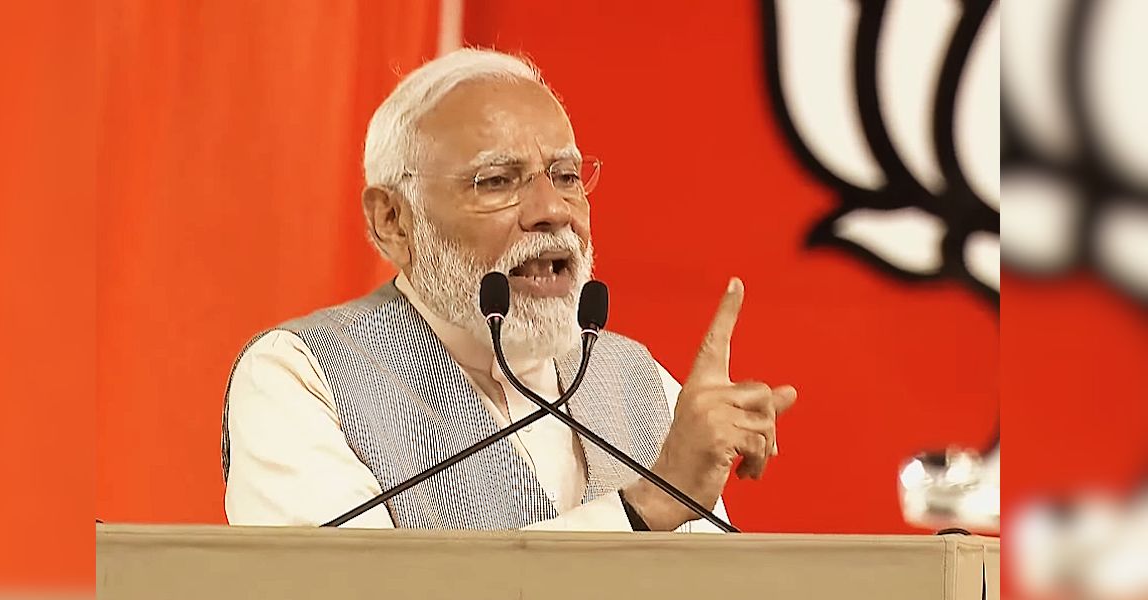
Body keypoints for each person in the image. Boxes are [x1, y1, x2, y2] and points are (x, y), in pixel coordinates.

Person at [222, 48, 797, 532]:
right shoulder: (300, 377)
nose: (552, 211)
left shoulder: (638, 383)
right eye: (496, 181)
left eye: (567, 177)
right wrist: (643, 509)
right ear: (394, 221)